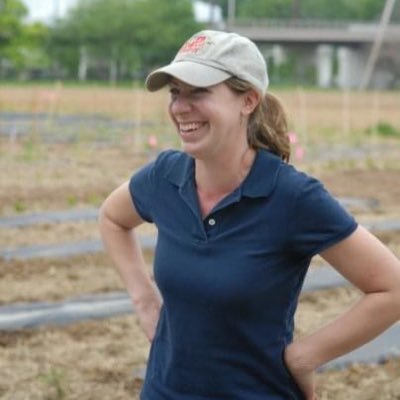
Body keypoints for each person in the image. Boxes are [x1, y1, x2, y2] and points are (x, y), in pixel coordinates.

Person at [99, 30, 400, 400]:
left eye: (198, 91)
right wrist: (143, 298)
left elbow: (392, 287)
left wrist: (305, 358)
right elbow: (112, 219)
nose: (180, 106)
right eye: (175, 92)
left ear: (248, 100)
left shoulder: (292, 197)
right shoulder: (164, 177)